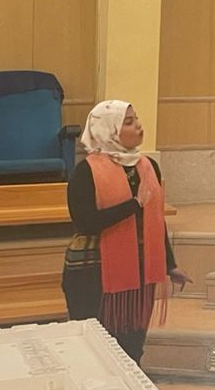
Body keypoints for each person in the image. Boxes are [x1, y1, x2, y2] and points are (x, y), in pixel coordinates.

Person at [61, 101, 188, 362]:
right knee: (95, 350)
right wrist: (133, 204)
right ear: (108, 130)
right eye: (128, 122)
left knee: (132, 347)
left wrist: (169, 264)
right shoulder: (85, 172)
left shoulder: (148, 166)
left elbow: (155, 219)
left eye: (136, 119)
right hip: (91, 272)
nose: (138, 126)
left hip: (139, 273)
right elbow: (86, 222)